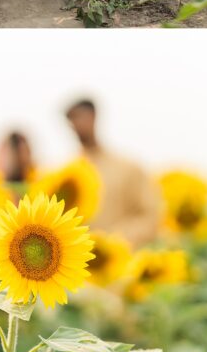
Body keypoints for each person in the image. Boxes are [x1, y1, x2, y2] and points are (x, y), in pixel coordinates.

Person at [65, 98, 161, 247]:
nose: (77, 125)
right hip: (80, 263)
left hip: (123, 260)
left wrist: (117, 239)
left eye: (80, 117)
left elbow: (150, 215)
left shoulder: (128, 168)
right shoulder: (67, 175)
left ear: (94, 116)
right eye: (72, 120)